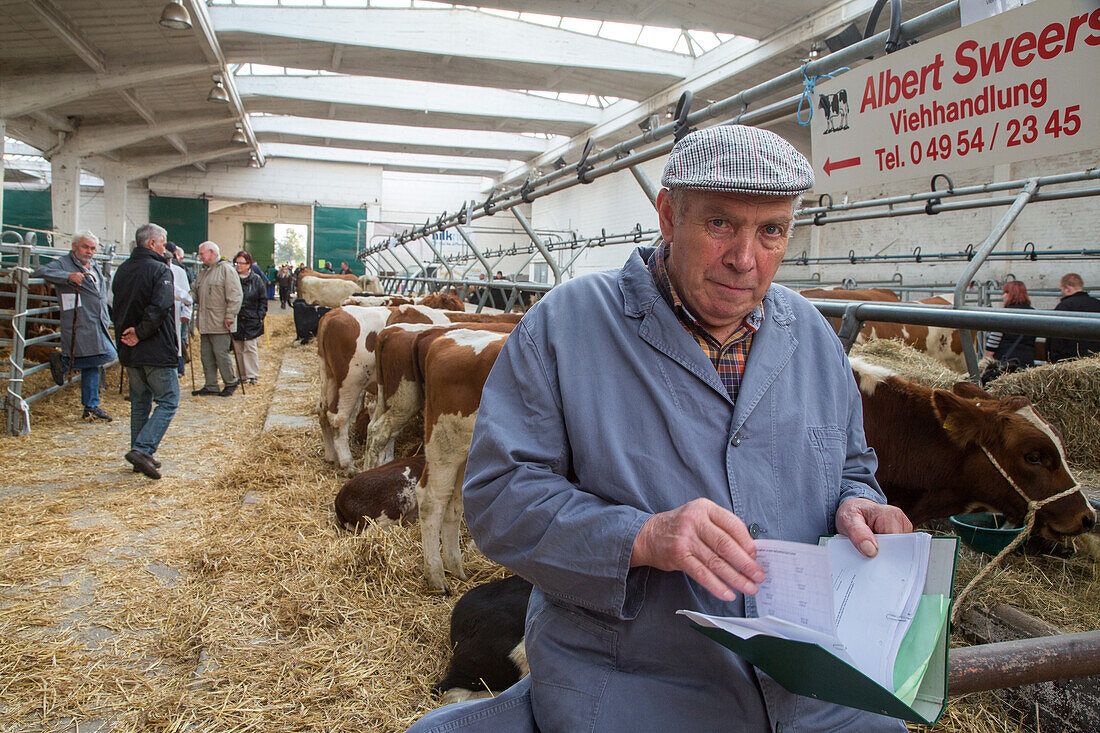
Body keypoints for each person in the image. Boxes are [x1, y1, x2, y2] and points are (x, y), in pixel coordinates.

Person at [408, 125, 913, 733]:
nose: (746, 259)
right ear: (669, 216)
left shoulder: (814, 338)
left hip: (814, 691)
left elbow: (853, 466)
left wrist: (862, 503)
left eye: (771, 230)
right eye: (721, 224)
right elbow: (498, 501)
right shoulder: (565, 328)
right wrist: (642, 536)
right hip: (633, 685)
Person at [111, 223, 179, 479]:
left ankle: (138, 454)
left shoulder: (123, 270)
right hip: (154, 348)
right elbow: (160, 308)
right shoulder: (160, 269)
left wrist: (128, 335)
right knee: (169, 400)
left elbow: (115, 306)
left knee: (140, 402)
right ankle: (143, 449)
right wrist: (140, 333)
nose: (165, 247)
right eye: (163, 243)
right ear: (152, 244)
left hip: (129, 348)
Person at [33, 231, 117, 421]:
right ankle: (64, 362)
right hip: (79, 321)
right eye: (85, 247)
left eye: (92, 248)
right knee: (107, 355)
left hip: (97, 320)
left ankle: (90, 407)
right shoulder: (64, 263)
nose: (89, 251)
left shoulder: (95, 265)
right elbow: (39, 271)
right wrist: (67, 276)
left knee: (93, 363)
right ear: (74, 247)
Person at [190, 241, 243, 397]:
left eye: (202, 254)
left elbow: (235, 295)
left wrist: (230, 315)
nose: (200, 257)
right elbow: (195, 290)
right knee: (206, 356)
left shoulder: (226, 270)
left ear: (212, 252)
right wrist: (188, 298)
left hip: (220, 322)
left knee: (221, 354)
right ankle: (211, 385)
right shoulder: (203, 273)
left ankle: (231, 382)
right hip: (205, 322)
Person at [982, 280, 1035, 384]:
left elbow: (992, 344)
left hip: (1006, 366)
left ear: (1010, 294)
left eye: (1005, 293)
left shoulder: (1004, 314)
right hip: (1027, 364)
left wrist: (985, 362)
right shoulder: (1034, 314)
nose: (1003, 296)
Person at [231, 250, 267, 385]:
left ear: (248, 264)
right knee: (238, 348)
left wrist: (260, 315)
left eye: (241, 263)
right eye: (237, 263)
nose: (238, 266)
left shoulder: (256, 280)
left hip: (252, 318)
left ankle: (252, 375)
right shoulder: (232, 279)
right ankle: (241, 375)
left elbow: (262, 300)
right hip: (236, 318)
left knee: (250, 347)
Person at [1047, 273, 1100, 362]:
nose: (1061, 293)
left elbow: (1055, 339)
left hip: (1070, 361)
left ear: (1068, 288)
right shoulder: (1097, 304)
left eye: (1062, 290)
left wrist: (1054, 360)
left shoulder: (1064, 307)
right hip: (1095, 361)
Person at [164, 242, 194, 378]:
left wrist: (186, 313)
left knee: (177, 341)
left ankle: (178, 368)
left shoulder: (179, 271)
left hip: (175, 312)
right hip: (160, 313)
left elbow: (187, 295)